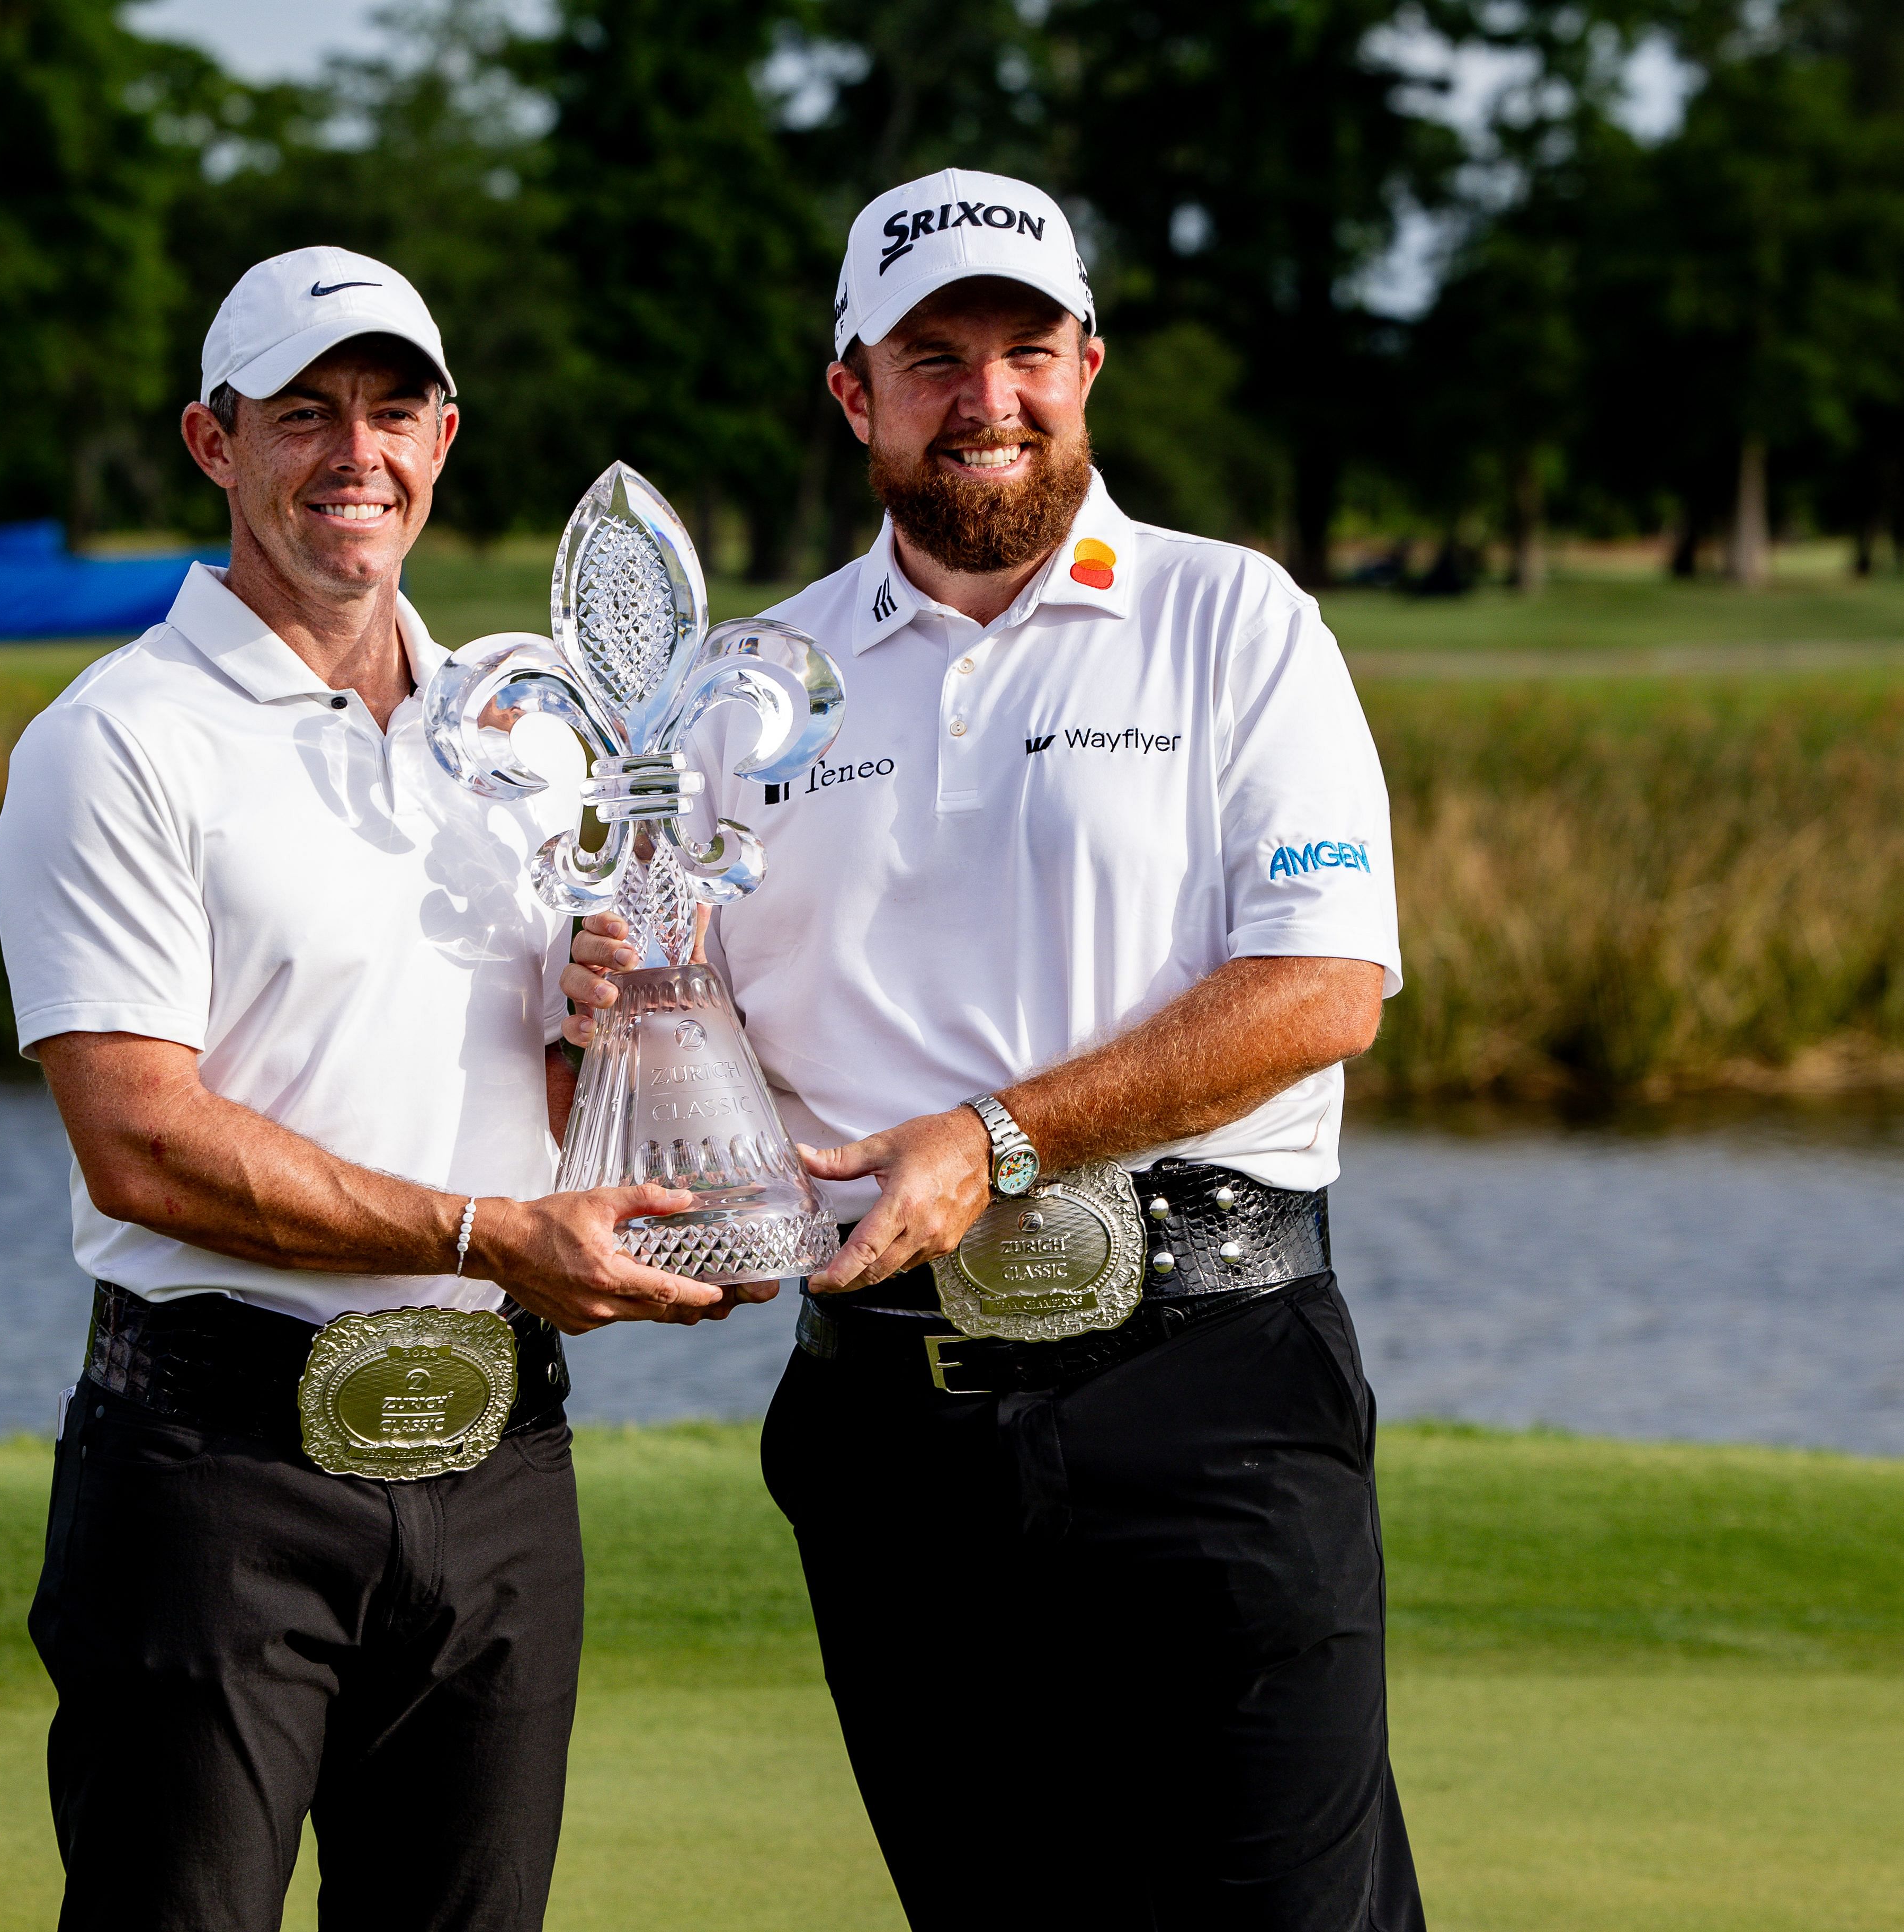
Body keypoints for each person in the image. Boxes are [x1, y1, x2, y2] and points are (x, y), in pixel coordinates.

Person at [565, 169, 1426, 1930]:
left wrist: (997, 1136)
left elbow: (1324, 984)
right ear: (853, 392)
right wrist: (628, 1010)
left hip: (1212, 1386)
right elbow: (685, 1055)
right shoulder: (749, 679)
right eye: (934, 357)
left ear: (1089, 365)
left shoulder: (1232, 619)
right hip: (893, 1422)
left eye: (1028, 350)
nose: (989, 399)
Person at [0, 245, 723, 1932]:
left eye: (395, 409)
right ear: (211, 442)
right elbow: (140, 1145)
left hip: (504, 1460)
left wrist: (604, 1033)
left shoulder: (529, 732)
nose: (356, 452)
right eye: (304, 412)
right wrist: (490, 1235)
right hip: (219, 1472)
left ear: (446, 438)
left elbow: (533, 1095)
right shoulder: (119, 742)